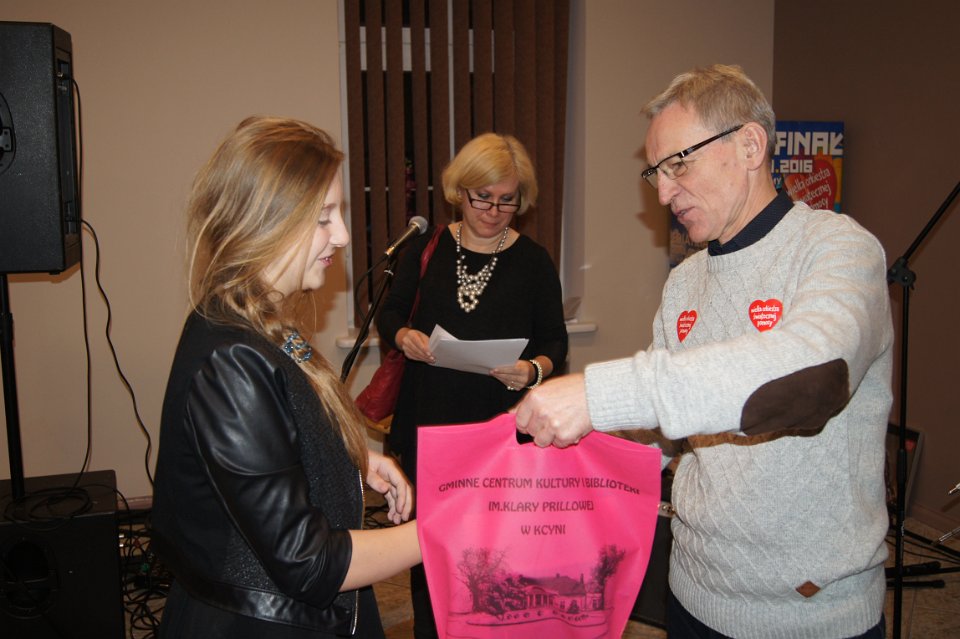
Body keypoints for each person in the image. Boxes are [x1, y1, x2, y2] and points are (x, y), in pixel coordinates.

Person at [514, 64, 893, 639]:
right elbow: (663, 430)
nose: (663, 193)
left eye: (678, 164)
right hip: (692, 593)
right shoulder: (685, 282)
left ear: (750, 146)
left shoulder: (839, 250)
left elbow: (814, 376)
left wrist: (596, 393)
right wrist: (545, 467)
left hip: (809, 614)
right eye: (655, 173)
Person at [151, 116, 421, 639]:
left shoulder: (260, 323)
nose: (342, 235)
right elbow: (309, 562)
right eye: (322, 218)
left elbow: (281, 431)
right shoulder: (232, 358)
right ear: (264, 223)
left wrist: (350, 457)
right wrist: (447, 531)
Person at [376, 132, 568, 638]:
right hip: (430, 425)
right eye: (483, 197)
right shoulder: (426, 248)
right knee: (429, 550)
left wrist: (533, 370)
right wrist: (404, 336)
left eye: (508, 200)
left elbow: (555, 341)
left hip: (498, 432)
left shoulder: (533, 260)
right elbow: (390, 312)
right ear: (459, 191)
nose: (494, 211)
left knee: (497, 554)